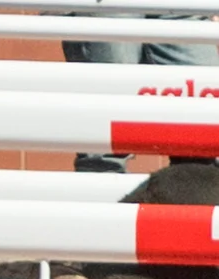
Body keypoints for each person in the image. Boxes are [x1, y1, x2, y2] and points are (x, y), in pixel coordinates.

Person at [62, 16, 219, 174]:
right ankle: (103, 195)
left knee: (203, 138)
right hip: (108, 9)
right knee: (105, 152)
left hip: (180, 10)